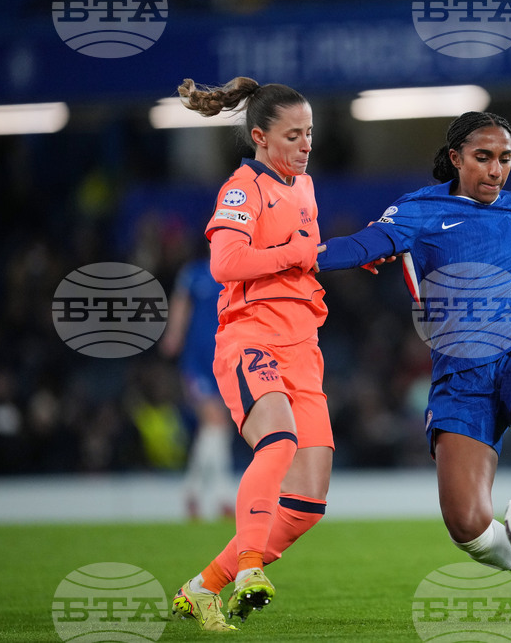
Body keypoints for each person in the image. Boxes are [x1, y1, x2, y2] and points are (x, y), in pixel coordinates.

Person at [316, 111, 511, 622]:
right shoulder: (418, 211)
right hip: (459, 373)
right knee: (466, 524)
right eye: (483, 157)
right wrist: (293, 257)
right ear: (456, 158)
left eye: (505, 158)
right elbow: (360, 246)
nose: (495, 170)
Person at [168, 76, 329, 632]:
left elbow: (305, 256)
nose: (306, 145)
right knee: (278, 440)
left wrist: (348, 255)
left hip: (303, 346)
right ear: (260, 137)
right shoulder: (243, 188)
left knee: (306, 504)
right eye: (293, 135)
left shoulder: (304, 186)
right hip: (252, 337)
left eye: (309, 133)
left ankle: (200, 590)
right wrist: (294, 252)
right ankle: (249, 567)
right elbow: (225, 263)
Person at [160, 254, 236, 521]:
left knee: (216, 427)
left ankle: (192, 490)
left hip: (227, 357)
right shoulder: (194, 273)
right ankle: (223, 495)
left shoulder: (238, 270)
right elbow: (180, 303)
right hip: (197, 360)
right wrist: (174, 335)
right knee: (216, 421)